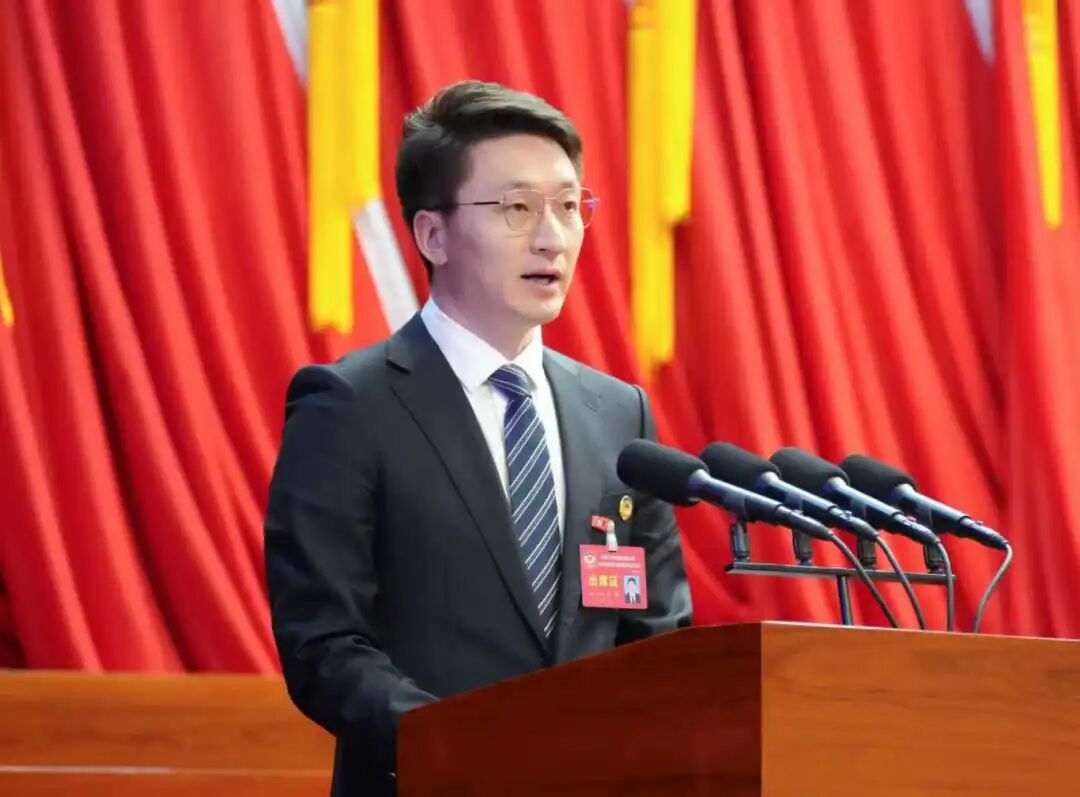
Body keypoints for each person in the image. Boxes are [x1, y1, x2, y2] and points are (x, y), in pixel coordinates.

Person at [265, 79, 692, 797]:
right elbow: (324, 645)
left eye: (569, 206)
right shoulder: (348, 407)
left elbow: (658, 638)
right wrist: (469, 749)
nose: (552, 237)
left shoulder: (619, 414)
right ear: (432, 235)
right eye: (518, 208)